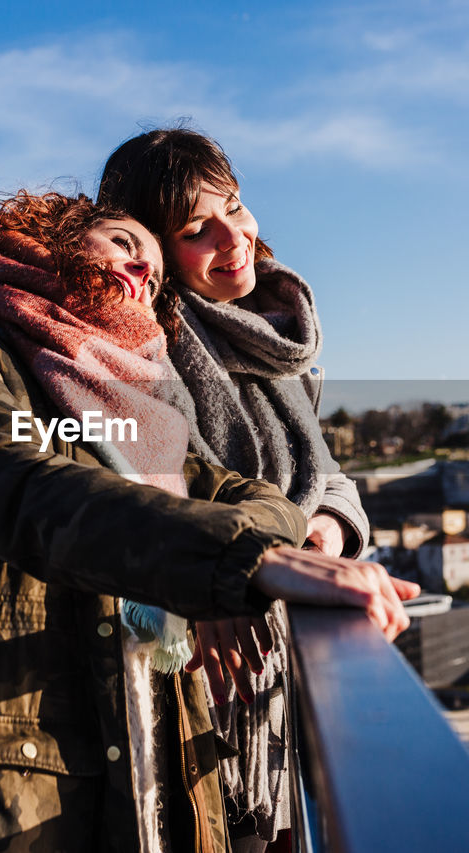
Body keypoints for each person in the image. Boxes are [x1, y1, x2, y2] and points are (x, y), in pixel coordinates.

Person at [0, 191, 415, 853]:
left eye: (155, 275)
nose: (139, 274)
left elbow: (251, 495)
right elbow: (16, 485)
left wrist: (257, 541)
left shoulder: (130, 404)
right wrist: (240, 559)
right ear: (50, 239)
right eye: (124, 245)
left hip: (128, 786)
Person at [98, 127, 374, 851]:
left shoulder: (269, 339)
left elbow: (330, 481)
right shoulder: (137, 349)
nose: (236, 236)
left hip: (276, 674)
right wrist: (240, 559)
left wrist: (321, 537)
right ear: (152, 248)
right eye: (198, 229)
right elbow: (145, 491)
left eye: (238, 207)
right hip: (197, 678)